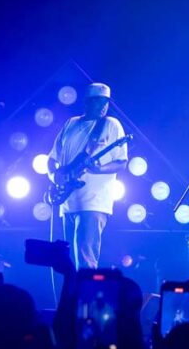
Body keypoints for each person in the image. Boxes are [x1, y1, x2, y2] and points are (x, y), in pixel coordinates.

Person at [48, 82, 129, 270]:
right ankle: (70, 298)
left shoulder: (111, 124)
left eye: (106, 102)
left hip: (93, 201)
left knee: (85, 261)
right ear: (87, 102)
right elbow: (52, 158)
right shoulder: (70, 123)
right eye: (98, 102)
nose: (103, 106)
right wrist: (54, 176)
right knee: (64, 262)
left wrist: (99, 169)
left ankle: (85, 300)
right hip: (66, 201)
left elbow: (122, 162)